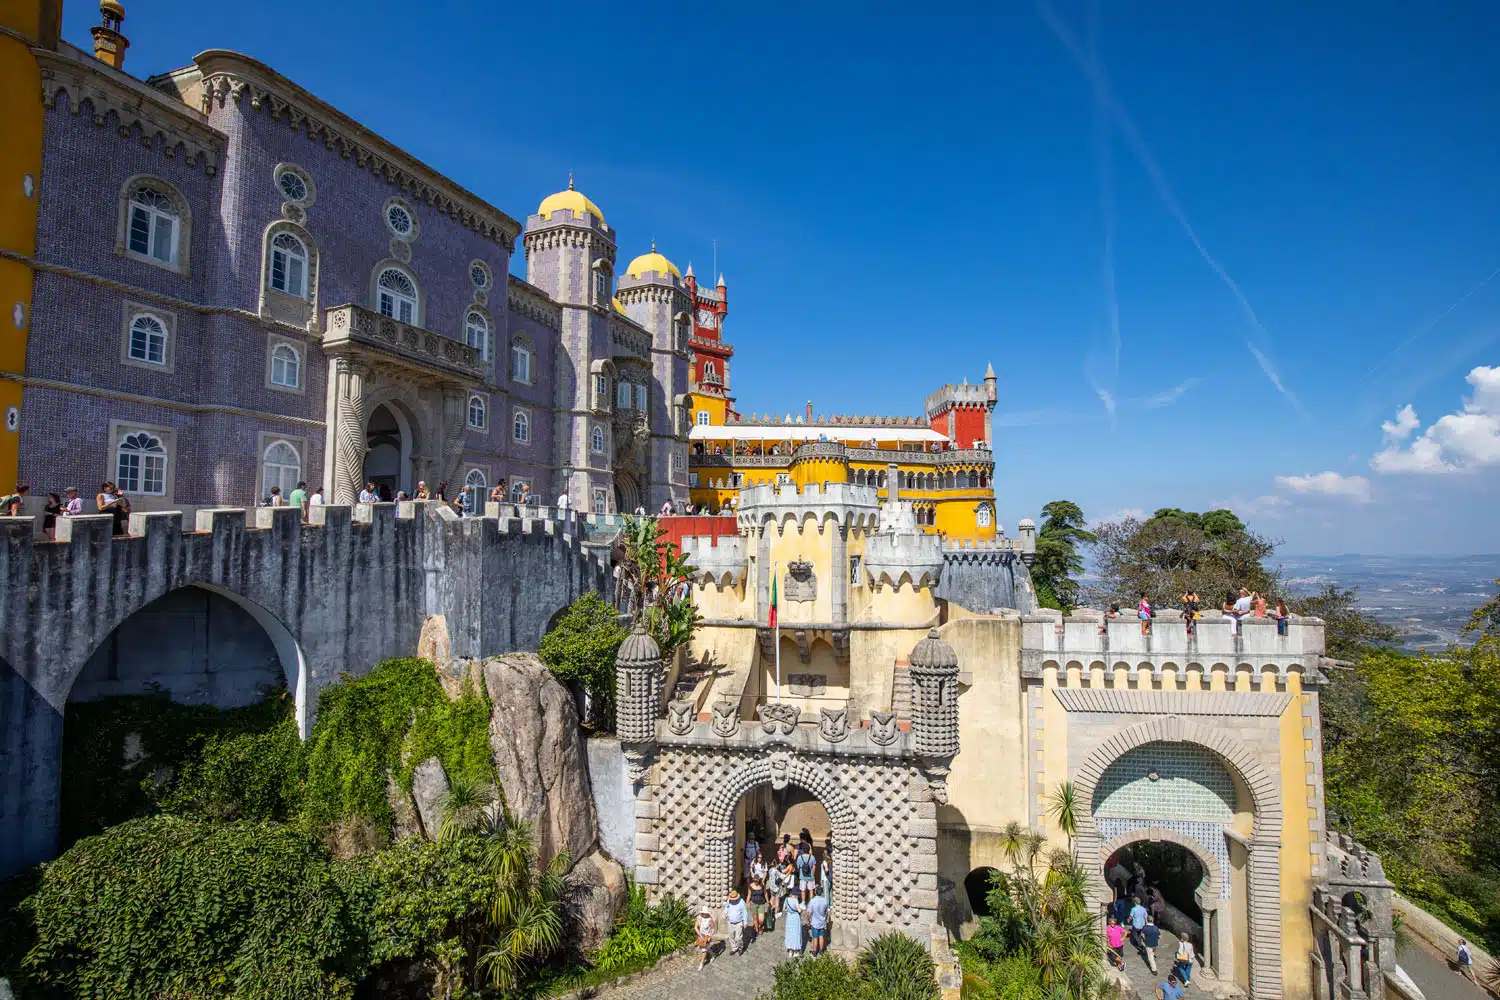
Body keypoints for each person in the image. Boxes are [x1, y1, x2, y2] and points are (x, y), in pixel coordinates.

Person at [724, 890, 749, 956]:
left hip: (738, 923)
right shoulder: (729, 901)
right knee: (731, 936)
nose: (732, 900)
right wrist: (725, 913)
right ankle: (734, 948)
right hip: (730, 922)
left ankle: (740, 948)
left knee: (738, 938)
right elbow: (726, 907)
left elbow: (745, 912)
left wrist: (745, 922)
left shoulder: (741, 902)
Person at [806, 885, 829, 955]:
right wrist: (825, 919)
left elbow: (809, 913)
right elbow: (827, 912)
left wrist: (809, 920)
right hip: (822, 922)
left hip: (815, 922)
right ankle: (821, 950)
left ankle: (814, 951)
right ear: (821, 892)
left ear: (815, 892)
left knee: (815, 937)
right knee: (821, 936)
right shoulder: (825, 900)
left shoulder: (812, 901)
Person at [781, 890, 804, 959]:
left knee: (789, 933)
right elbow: (799, 910)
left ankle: (790, 951)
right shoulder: (795, 901)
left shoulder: (786, 899)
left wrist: (789, 910)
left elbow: (784, 909)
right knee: (796, 933)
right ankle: (795, 951)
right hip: (795, 918)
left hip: (789, 918)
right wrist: (802, 908)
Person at [694, 906, 715, 970]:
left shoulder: (710, 919)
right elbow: (695, 927)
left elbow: (713, 929)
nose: (704, 914)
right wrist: (700, 936)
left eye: (705, 913)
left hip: (707, 937)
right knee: (706, 948)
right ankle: (713, 954)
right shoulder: (699, 917)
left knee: (704, 950)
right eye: (703, 913)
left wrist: (710, 937)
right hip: (701, 936)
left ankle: (701, 964)